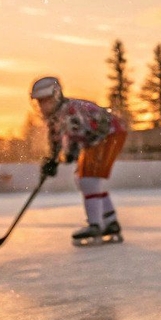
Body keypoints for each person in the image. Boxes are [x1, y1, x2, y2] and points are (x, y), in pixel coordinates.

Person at [30, 77, 129, 246]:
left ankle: (95, 225)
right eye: (39, 102)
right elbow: (57, 139)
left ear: (56, 96)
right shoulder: (56, 116)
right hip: (98, 140)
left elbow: (74, 134)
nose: (42, 106)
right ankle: (110, 222)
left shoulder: (69, 111)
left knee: (88, 179)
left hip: (108, 136)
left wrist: (60, 156)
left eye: (45, 101)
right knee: (83, 179)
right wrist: (54, 159)